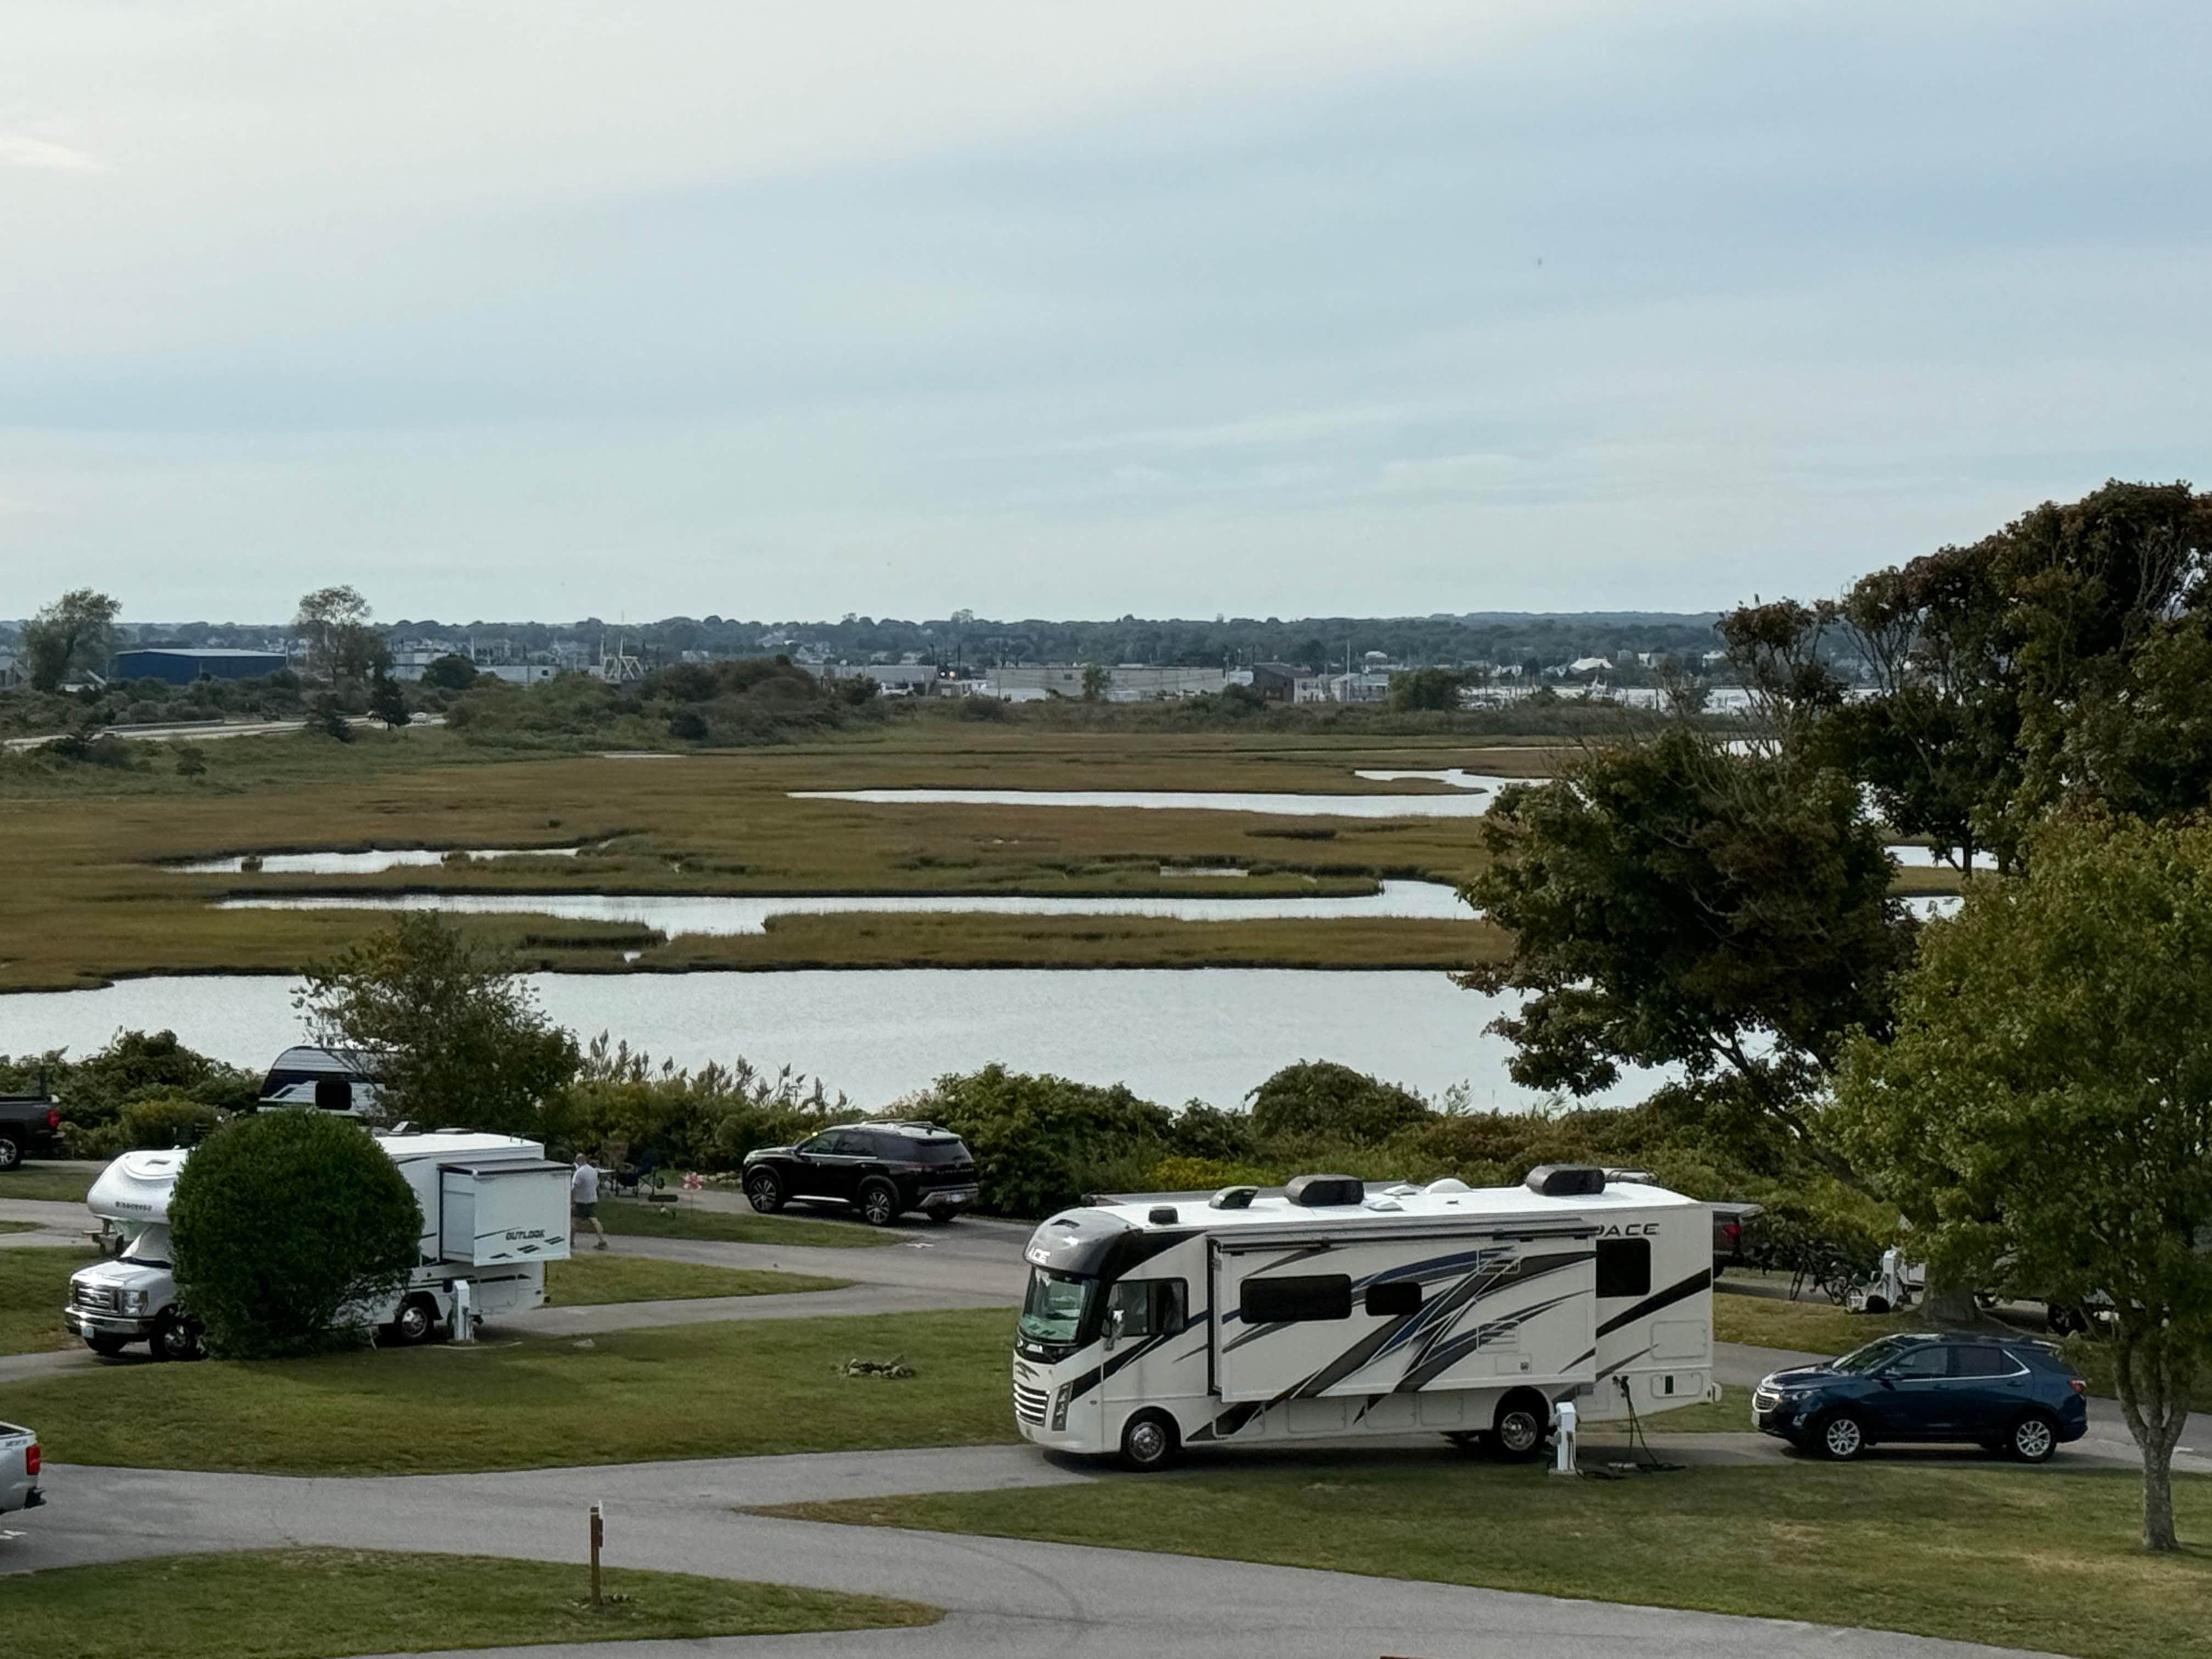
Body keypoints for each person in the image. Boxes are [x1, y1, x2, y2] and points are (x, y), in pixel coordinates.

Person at [571, 1151, 608, 1250]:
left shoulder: (579, 1173)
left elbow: (574, 1187)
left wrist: (571, 1200)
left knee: (575, 1221)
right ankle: (602, 1240)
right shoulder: (593, 1171)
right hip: (592, 1200)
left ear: (579, 1161)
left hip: (580, 1201)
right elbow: (596, 1185)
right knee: (594, 1221)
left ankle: (571, 1241)